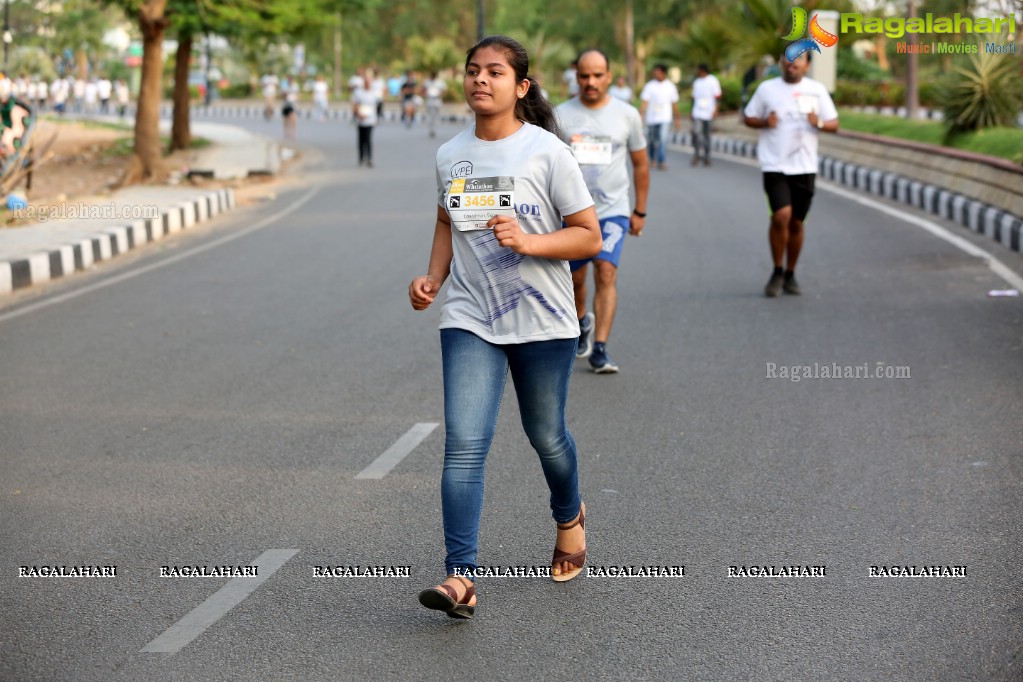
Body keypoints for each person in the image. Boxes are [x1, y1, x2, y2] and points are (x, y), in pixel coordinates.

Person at [409, 35, 600, 619]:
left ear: (520, 87)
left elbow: (588, 235)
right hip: (471, 316)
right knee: (464, 444)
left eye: (494, 72)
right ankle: (460, 577)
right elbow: (447, 219)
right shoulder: (450, 154)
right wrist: (433, 277)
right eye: (472, 71)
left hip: (542, 320)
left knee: (546, 436)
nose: (480, 80)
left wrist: (531, 241)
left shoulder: (547, 152)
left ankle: (569, 513)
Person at [557, 49, 648, 374]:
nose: (591, 82)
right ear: (576, 77)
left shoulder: (627, 115)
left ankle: (600, 349)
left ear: (609, 76)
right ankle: (582, 323)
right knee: (576, 277)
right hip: (573, 214)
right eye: (584, 76)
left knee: (606, 272)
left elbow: (640, 163)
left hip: (613, 211)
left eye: (597, 75)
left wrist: (640, 211)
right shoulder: (560, 114)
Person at [743, 52, 838, 297]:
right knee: (781, 216)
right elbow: (749, 117)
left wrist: (817, 123)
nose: (792, 63)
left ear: (807, 65)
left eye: (798, 59)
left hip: (805, 166)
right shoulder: (767, 89)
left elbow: (834, 124)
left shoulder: (816, 90)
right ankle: (776, 269)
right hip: (774, 163)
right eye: (788, 58)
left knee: (796, 222)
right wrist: (765, 122)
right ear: (781, 63)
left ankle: (790, 273)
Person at [639, 64, 680, 170]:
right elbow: (644, 102)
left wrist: (677, 119)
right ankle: (652, 158)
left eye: (658, 72)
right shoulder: (650, 86)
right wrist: (641, 115)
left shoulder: (670, 86)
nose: (656, 74)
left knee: (662, 139)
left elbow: (674, 103)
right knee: (652, 140)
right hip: (652, 118)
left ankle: (661, 161)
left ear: (663, 73)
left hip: (665, 118)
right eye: (655, 72)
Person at [690, 63, 721, 167]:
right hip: (697, 111)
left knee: (707, 135)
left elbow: (717, 96)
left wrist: (716, 109)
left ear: (703, 70)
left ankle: (707, 156)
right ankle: (697, 154)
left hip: (709, 111)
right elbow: (694, 98)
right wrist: (691, 111)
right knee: (696, 133)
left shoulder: (712, 80)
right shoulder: (697, 82)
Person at [351, 71, 379, 167]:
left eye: (369, 81)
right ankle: (361, 157)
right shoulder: (358, 92)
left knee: (368, 139)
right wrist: (359, 114)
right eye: (366, 81)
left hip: (370, 119)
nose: (367, 83)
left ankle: (369, 158)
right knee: (361, 139)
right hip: (361, 118)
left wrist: (375, 118)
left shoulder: (374, 93)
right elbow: (355, 104)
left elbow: (375, 106)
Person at [422, 71, 447, 137]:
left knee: (436, 116)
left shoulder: (439, 82)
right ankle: (431, 129)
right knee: (430, 116)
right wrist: (425, 94)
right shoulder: (427, 82)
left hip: (437, 100)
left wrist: (440, 94)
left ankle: (434, 129)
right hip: (429, 100)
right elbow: (423, 90)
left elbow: (444, 90)